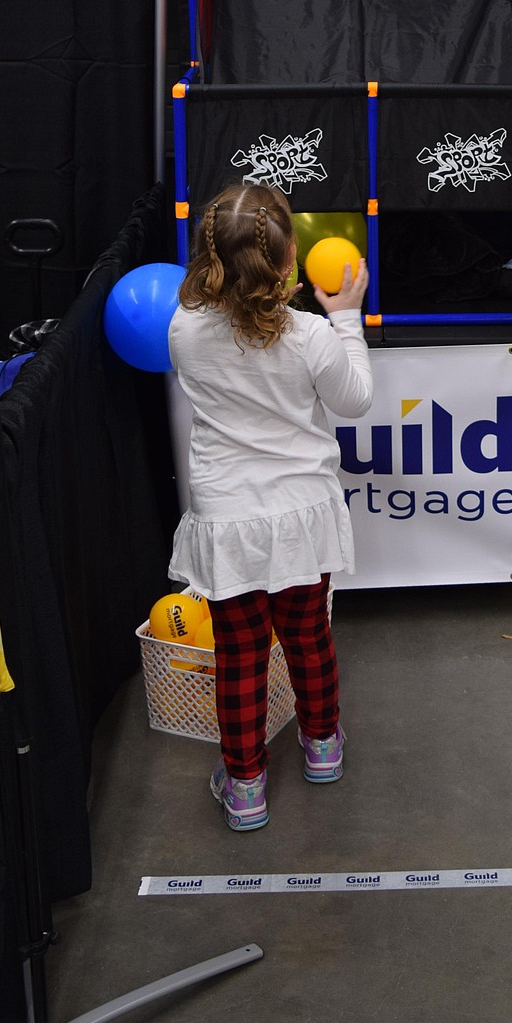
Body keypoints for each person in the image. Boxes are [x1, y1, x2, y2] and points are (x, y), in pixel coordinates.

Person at [167, 183, 372, 830]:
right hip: (301, 515)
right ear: (290, 262)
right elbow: (356, 400)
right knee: (309, 640)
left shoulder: (183, 327)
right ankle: (322, 746)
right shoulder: (311, 333)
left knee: (241, 654)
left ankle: (248, 783)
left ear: (208, 258)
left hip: (229, 519)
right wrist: (346, 314)